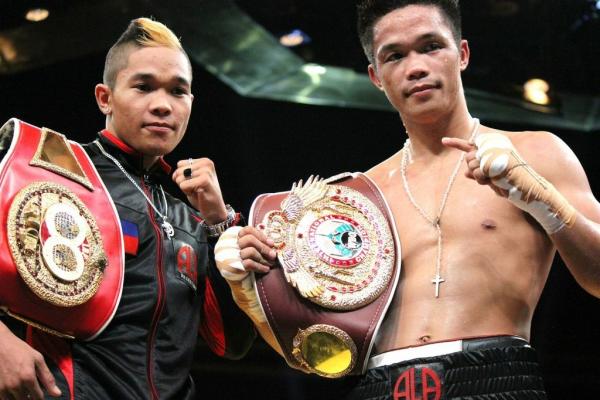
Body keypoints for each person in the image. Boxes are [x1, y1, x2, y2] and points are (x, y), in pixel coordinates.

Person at [215, 1, 600, 398]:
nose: (415, 67)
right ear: (376, 76)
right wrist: (250, 293)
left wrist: (544, 200)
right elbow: (318, 352)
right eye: (395, 56)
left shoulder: (538, 154)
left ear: (462, 54)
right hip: (380, 387)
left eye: (431, 46)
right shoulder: (356, 197)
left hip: (494, 378)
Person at [0, 17, 255, 400]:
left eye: (177, 91)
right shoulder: (48, 168)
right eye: (144, 87)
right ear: (105, 97)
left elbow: (231, 342)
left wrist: (222, 226)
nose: (162, 105)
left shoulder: (191, 219)